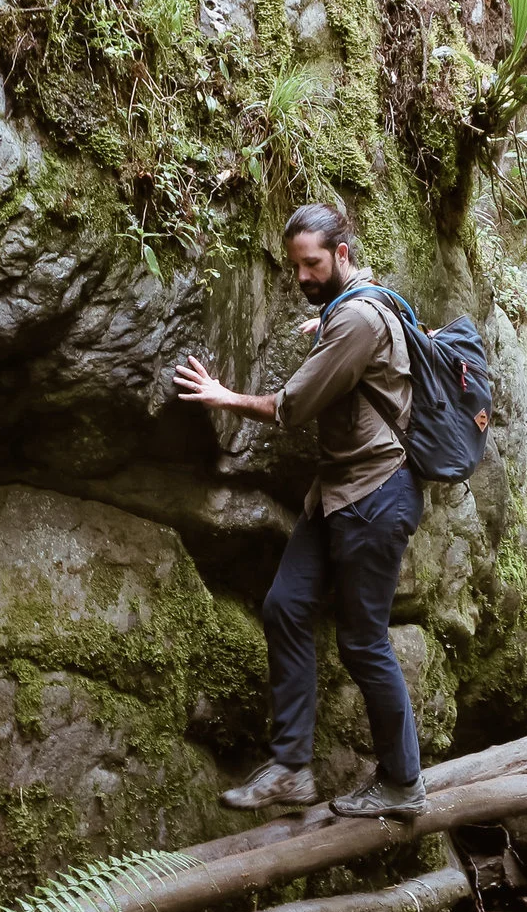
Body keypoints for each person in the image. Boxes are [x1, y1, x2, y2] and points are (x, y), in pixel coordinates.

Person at [172, 202, 426, 820]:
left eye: (312, 264)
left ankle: (403, 783)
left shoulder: (359, 319)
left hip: (376, 494)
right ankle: (291, 769)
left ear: (342, 254)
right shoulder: (355, 308)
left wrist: (224, 396)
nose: (303, 278)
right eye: (295, 267)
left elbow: (293, 406)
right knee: (286, 605)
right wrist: (328, 328)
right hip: (335, 494)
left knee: (362, 642)